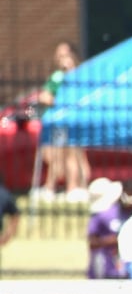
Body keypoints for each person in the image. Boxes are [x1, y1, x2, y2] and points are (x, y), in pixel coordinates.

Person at [37, 40, 91, 202]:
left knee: (74, 155)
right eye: (60, 56)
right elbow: (45, 97)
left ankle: (73, 188)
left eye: (65, 56)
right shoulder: (57, 77)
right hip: (60, 122)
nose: (63, 60)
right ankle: (51, 187)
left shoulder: (80, 77)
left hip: (74, 122)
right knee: (56, 155)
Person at [86, 177, 129, 280]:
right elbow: (92, 242)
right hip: (105, 267)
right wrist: (115, 240)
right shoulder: (100, 216)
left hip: (120, 266)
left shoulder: (120, 210)